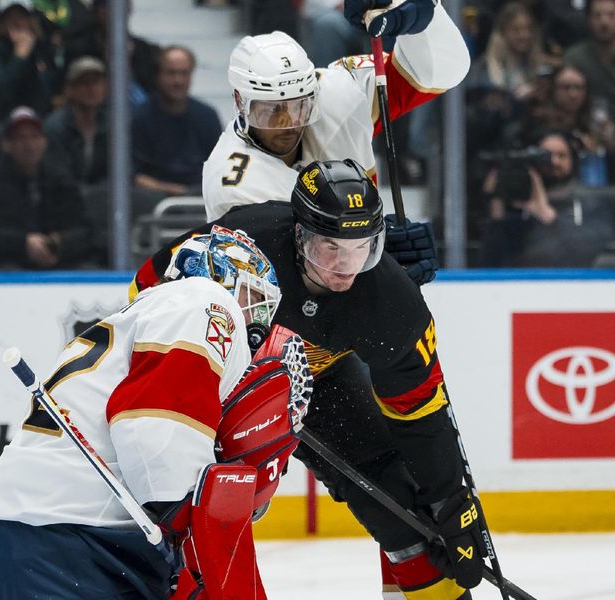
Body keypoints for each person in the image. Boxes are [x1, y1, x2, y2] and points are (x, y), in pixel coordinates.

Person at [133, 160, 489, 600]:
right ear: (299, 235)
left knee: (402, 505)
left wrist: (451, 501)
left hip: (319, 383)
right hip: (218, 382)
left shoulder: (392, 303)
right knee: (188, 506)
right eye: (330, 249)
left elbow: (420, 411)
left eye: (362, 249)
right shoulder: (247, 239)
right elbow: (148, 289)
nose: (346, 266)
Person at [0, 225, 301, 599]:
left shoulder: (148, 312)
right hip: (66, 544)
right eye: (255, 297)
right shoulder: (203, 300)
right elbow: (153, 422)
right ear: (222, 275)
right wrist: (189, 516)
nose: (260, 318)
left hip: (42, 539)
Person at [202, 0, 470, 222]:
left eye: (299, 107)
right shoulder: (233, 184)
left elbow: (444, 73)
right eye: (271, 111)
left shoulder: (339, 92)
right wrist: (384, 251)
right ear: (240, 102)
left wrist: (420, 15)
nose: (288, 123)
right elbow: (304, 267)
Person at [0, 106, 101, 269]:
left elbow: (86, 230)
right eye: (20, 138)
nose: (28, 145)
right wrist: (22, 244)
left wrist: (58, 242)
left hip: (59, 262)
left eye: (34, 136)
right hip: (6, 264)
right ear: (6, 144)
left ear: (44, 142)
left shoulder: (60, 178)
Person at [479, 130, 613, 267]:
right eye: (545, 156)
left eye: (561, 155)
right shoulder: (517, 202)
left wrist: (546, 215)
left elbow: (592, 254)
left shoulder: (591, 199)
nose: (554, 161)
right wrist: (496, 208)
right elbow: (491, 262)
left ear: (573, 160)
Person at [132, 45, 221, 209]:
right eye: (171, 73)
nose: (178, 81)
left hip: (200, 197)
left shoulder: (207, 116)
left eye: (184, 73)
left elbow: (220, 170)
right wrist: (175, 191)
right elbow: (135, 176)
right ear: (158, 75)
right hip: (153, 199)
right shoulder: (139, 117)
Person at [0, 0, 58, 124]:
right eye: (9, 16)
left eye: (22, 16)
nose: (16, 21)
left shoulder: (38, 48)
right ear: (0, 21)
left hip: (34, 120)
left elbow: (46, 92)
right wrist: (19, 57)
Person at [43, 55, 109, 195]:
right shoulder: (54, 127)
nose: (91, 88)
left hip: (103, 202)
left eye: (96, 82)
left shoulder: (112, 126)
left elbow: (118, 171)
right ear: (69, 89)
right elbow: (58, 176)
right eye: (83, 83)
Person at [565, 0, 615, 113]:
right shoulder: (575, 58)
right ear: (588, 19)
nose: (604, 22)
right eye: (597, 15)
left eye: (611, 15)